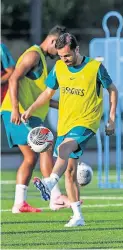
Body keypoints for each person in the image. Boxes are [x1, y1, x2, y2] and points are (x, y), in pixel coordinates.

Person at [22, 33, 118, 227]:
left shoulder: (95, 67)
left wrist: (111, 119)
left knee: (63, 150)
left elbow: (112, 89)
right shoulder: (59, 68)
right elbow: (48, 93)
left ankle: (49, 184)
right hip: (65, 123)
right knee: (70, 171)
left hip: (87, 122)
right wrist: (31, 108)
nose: (63, 60)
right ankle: (77, 216)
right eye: (60, 56)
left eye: (67, 55)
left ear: (77, 49)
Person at [1, 25, 70, 213]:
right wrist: (15, 109)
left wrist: (66, 105)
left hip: (25, 114)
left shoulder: (42, 62)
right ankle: (55, 197)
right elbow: (13, 78)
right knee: (46, 144)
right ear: (53, 41)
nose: (60, 53)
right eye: (60, 47)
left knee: (30, 157)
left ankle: (19, 203)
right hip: (18, 113)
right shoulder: (33, 55)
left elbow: (42, 99)